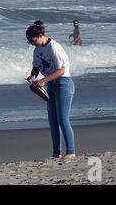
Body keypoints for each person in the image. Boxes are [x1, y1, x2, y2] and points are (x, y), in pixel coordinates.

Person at [26, 21, 76, 159]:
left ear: (41, 35)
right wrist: (33, 76)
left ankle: (71, 152)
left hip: (63, 83)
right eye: (30, 42)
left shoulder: (53, 47)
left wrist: (43, 81)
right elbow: (36, 67)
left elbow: (61, 70)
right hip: (50, 85)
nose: (32, 44)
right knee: (52, 120)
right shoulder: (37, 50)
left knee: (63, 119)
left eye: (33, 41)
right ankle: (56, 152)